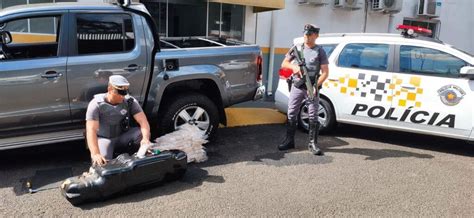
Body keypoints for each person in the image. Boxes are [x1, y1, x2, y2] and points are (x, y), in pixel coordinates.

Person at [278, 24, 329, 155]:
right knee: (292, 112)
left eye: (310, 34)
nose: (307, 37)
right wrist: (294, 68)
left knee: (313, 115)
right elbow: (284, 63)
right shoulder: (297, 48)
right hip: (297, 85)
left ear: (316, 36)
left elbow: (325, 72)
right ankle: (289, 141)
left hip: (311, 86)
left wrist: (316, 86)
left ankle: (312, 144)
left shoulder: (320, 51)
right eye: (305, 34)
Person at [86, 75, 151, 165]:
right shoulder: (95, 104)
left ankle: (134, 158)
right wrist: (95, 153)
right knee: (101, 162)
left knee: (140, 134)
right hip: (105, 139)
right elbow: (91, 130)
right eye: (119, 93)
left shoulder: (129, 101)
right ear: (110, 89)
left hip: (122, 136)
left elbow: (143, 121)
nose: (122, 96)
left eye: (124, 93)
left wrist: (146, 139)